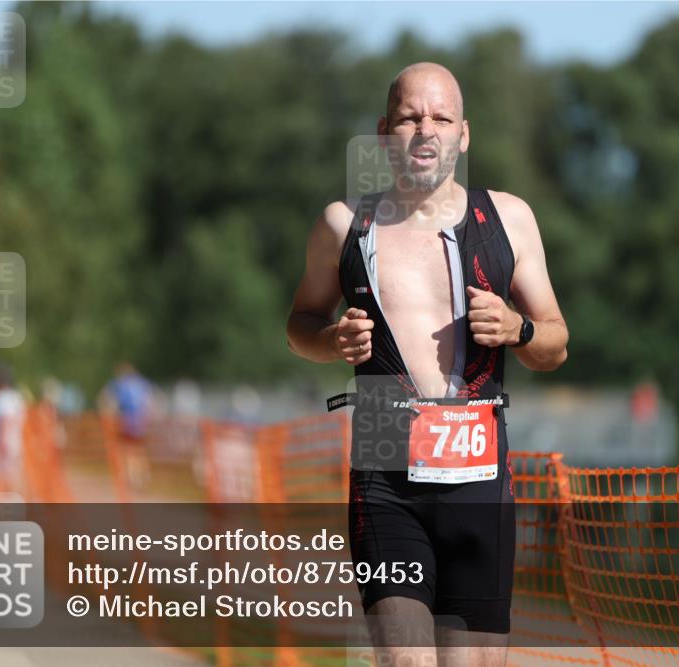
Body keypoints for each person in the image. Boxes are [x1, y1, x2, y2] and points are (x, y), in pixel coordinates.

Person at [287, 62, 569, 666]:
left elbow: (556, 344)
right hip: (386, 480)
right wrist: (332, 340)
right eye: (410, 118)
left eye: (441, 118)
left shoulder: (509, 219)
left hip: (479, 484)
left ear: (463, 135)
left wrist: (517, 329)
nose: (426, 131)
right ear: (383, 131)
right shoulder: (344, 225)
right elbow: (299, 326)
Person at [99, 362, 154, 489]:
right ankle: (141, 475)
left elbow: (105, 398)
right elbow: (151, 400)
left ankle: (132, 475)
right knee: (139, 450)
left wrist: (108, 414)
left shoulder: (119, 383)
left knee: (127, 449)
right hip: (142, 421)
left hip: (127, 421)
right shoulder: (143, 383)